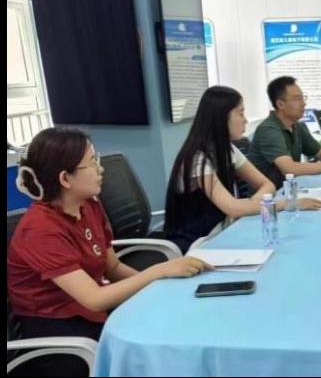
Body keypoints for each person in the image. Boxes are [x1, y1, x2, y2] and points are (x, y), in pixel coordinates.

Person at [7, 127, 210, 376]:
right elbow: (94, 298)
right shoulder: (40, 229)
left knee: (170, 322)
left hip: (91, 313)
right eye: (92, 162)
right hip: (58, 333)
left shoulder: (89, 205)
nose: (100, 169)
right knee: (153, 349)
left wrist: (158, 289)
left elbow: (112, 267)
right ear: (65, 179)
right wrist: (159, 272)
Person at [165, 85, 321, 254]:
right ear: (221, 118)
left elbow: (267, 185)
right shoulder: (198, 160)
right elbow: (233, 208)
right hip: (196, 245)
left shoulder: (228, 150)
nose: (246, 120)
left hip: (222, 234)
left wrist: (255, 204)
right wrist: (288, 203)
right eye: (240, 113)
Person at [249, 76, 321, 189]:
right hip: (268, 197)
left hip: (290, 190)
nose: (303, 103)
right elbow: (289, 169)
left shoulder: (297, 126)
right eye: (297, 99)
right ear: (280, 104)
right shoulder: (268, 130)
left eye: (303, 98)